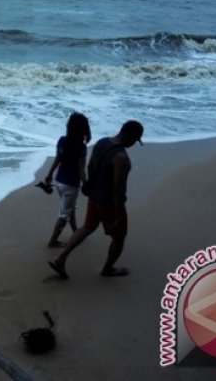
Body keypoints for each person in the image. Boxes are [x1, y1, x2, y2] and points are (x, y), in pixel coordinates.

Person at [48, 120, 144, 279]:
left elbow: (90, 166)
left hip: (94, 198)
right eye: (136, 140)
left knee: (87, 227)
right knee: (119, 237)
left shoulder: (102, 143)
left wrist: (90, 186)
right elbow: (118, 190)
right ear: (131, 135)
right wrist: (119, 215)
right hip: (109, 204)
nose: (134, 143)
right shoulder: (122, 158)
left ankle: (60, 259)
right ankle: (108, 269)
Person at [40, 112, 91, 248]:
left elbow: (58, 159)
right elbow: (81, 169)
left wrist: (49, 174)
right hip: (71, 184)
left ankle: (75, 232)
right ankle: (53, 241)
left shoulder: (62, 141)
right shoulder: (81, 147)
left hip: (59, 181)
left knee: (69, 208)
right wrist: (86, 183)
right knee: (64, 215)